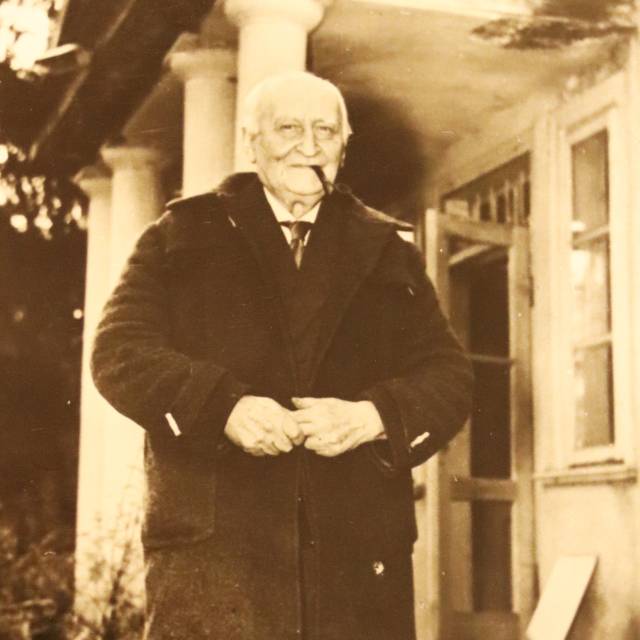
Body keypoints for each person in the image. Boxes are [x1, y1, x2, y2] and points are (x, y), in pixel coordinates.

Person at [91, 71, 473, 640]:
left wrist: (372, 417)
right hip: (218, 556)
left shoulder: (386, 249)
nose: (309, 146)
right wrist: (222, 407)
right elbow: (118, 351)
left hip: (354, 556)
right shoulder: (181, 235)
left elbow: (449, 376)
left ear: (344, 147)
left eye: (326, 131)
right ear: (252, 142)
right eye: (289, 129)